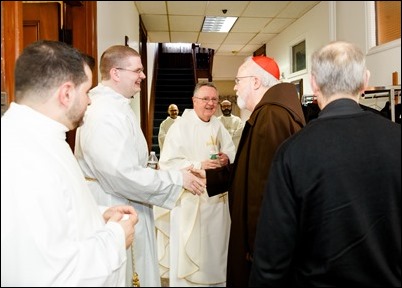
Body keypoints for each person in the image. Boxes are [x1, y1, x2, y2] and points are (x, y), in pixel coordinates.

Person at [249, 41, 401, 287]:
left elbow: (271, 258)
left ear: (314, 83)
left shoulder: (292, 152)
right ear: (365, 80)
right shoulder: (397, 139)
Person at [1, 40, 138, 286]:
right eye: (86, 92)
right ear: (66, 94)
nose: (90, 101)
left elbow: (56, 215)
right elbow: (51, 274)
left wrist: (99, 214)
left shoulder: (45, 136)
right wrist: (116, 238)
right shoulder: (24, 156)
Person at [74, 45, 206, 287]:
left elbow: (128, 165)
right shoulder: (104, 113)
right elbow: (121, 174)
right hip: (115, 205)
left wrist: (174, 173)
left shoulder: (117, 106)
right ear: (116, 73)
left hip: (126, 201)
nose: (143, 76)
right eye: (138, 70)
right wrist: (178, 179)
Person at [191, 55, 306, 286]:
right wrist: (214, 176)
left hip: (260, 248)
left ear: (255, 82)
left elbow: (264, 189)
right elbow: (251, 168)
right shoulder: (271, 113)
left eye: (238, 80)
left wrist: (255, 249)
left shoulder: (271, 116)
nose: (234, 87)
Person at [155, 82, 236, 287]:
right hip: (190, 199)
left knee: (215, 253)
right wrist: (199, 164)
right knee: (191, 253)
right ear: (194, 101)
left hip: (216, 201)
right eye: (205, 99)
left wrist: (225, 158)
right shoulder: (179, 126)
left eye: (214, 99)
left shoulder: (217, 124)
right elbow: (167, 163)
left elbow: (231, 151)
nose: (210, 104)